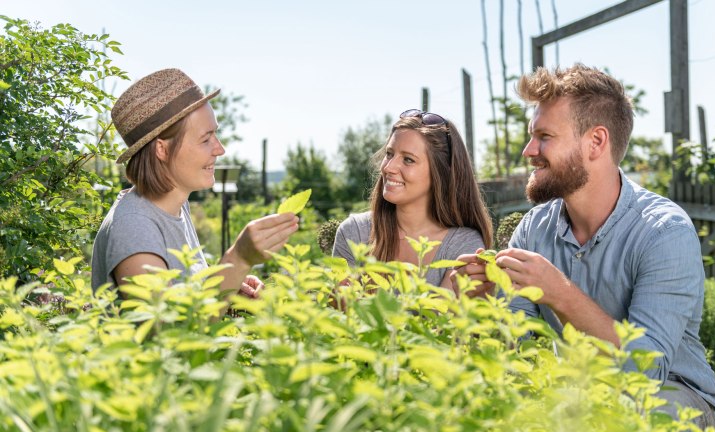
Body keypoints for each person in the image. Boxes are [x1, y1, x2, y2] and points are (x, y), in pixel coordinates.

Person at [453, 64, 715, 430]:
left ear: (596, 142)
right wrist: (487, 304)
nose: (528, 150)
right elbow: (520, 351)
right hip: (576, 391)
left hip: (676, 393)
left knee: (616, 422)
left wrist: (560, 294)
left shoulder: (664, 232)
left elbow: (644, 374)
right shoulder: (534, 229)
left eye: (544, 136)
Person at [91, 68, 299, 300]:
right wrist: (238, 260)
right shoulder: (134, 228)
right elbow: (167, 332)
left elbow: (185, 296)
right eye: (205, 138)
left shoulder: (175, 207)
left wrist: (228, 286)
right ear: (162, 148)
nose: (220, 149)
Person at [332, 109, 492, 289]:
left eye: (408, 160)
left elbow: (441, 316)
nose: (389, 167)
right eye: (390, 154)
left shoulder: (463, 244)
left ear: (440, 172)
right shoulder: (354, 233)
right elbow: (337, 313)